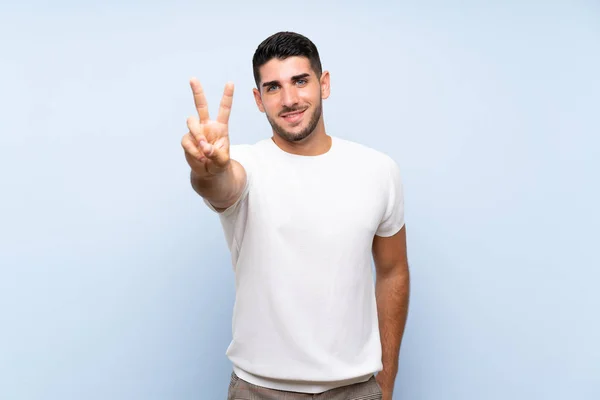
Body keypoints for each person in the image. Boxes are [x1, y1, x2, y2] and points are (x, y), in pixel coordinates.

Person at [180, 31, 410, 400]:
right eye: (273, 87)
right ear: (258, 100)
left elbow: (392, 270)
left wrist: (387, 379)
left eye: (300, 81)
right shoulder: (245, 165)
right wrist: (208, 170)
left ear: (324, 83)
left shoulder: (379, 170)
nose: (289, 99)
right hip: (259, 390)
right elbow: (221, 186)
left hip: (356, 389)